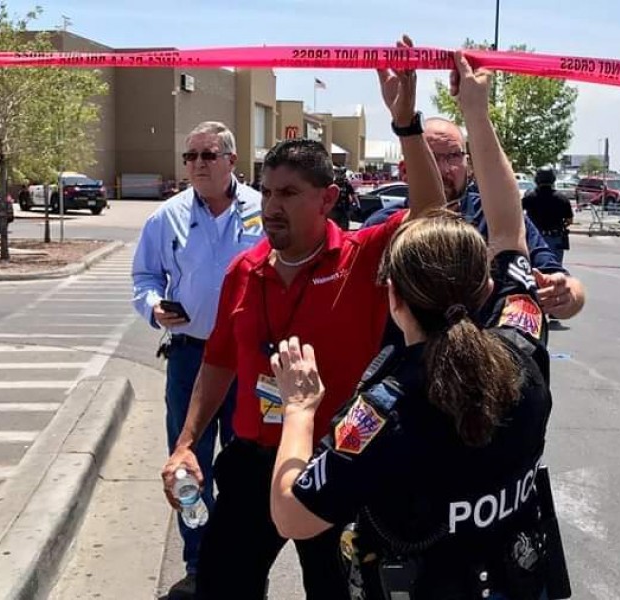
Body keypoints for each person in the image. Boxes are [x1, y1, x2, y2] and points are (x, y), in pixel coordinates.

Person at [269, 52, 568, 600]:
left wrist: (298, 410)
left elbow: (292, 515)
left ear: (394, 296)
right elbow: (508, 232)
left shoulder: (385, 410)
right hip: (512, 581)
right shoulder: (520, 338)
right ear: (484, 284)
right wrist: (476, 111)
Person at [161, 35, 446, 600]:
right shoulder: (246, 270)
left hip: (337, 465)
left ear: (328, 198)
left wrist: (407, 125)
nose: (271, 206)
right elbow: (217, 361)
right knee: (222, 587)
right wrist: (187, 442)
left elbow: (432, 211)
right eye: (266, 192)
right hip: (250, 466)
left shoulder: (364, 259)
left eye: (289, 193)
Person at [132, 121, 263, 599]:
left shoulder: (262, 210)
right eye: (190, 157)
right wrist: (154, 307)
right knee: (188, 468)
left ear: (231, 159)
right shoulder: (165, 218)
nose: (198, 165)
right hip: (191, 358)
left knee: (246, 465)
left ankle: (241, 559)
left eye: (207, 155)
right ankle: (197, 563)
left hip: (250, 363)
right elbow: (145, 277)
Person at [363, 117, 585, 322]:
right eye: (430, 158)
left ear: (468, 165)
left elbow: (567, 284)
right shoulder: (381, 227)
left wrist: (565, 295)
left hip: (491, 359)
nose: (444, 169)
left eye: (453, 156)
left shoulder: (496, 218)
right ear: (404, 170)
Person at [522, 166, 574, 266]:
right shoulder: (562, 198)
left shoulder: (530, 197)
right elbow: (569, 220)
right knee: (555, 269)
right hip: (555, 238)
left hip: (535, 238)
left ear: (537, 179)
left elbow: (518, 214)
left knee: (535, 270)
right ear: (553, 179)